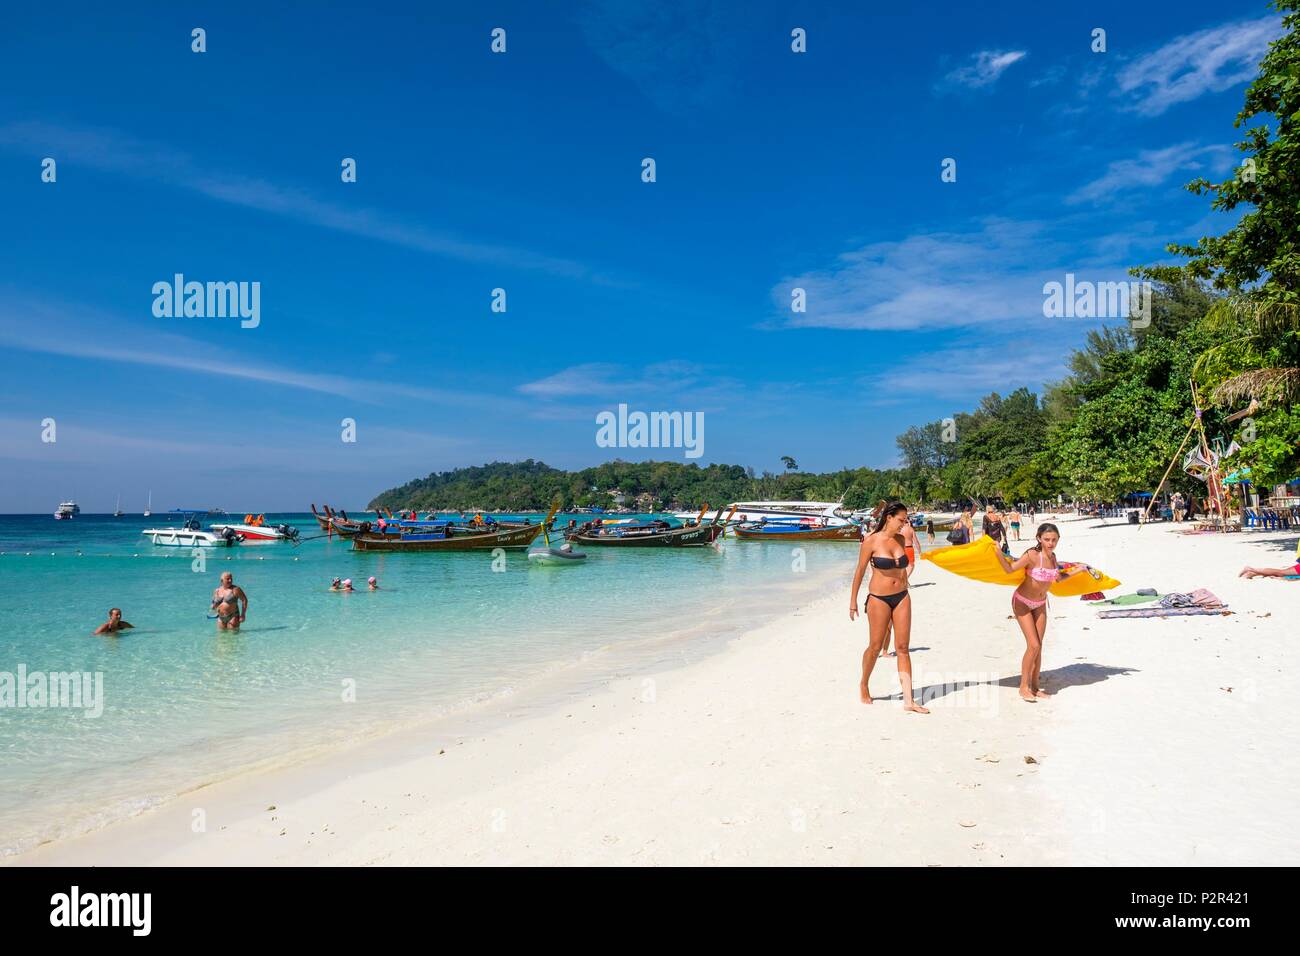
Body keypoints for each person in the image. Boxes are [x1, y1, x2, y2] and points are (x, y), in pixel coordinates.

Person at [849, 502, 928, 713]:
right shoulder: (871, 541)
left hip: (902, 597)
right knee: (875, 647)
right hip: (879, 599)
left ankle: (909, 701)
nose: (905, 524)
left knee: (902, 648)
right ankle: (864, 683)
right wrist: (853, 601)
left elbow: (902, 569)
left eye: (906, 520)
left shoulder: (901, 539)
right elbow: (859, 572)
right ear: (889, 517)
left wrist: (905, 583)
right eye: (901, 520)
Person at [992, 523, 1084, 703]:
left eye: (1054, 540)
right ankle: (1023, 687)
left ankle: (1035, 687)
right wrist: (997, 552)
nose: (1051, 543)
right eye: (1047, 539)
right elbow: (1009, 569)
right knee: (1033, 645)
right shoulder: (1032, 555)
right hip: (1022, 603)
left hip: (1040, 603)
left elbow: (1058, 578)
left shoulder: (1053, 557)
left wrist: (1076, 570)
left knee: (1039, 646)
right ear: (1039, 539)